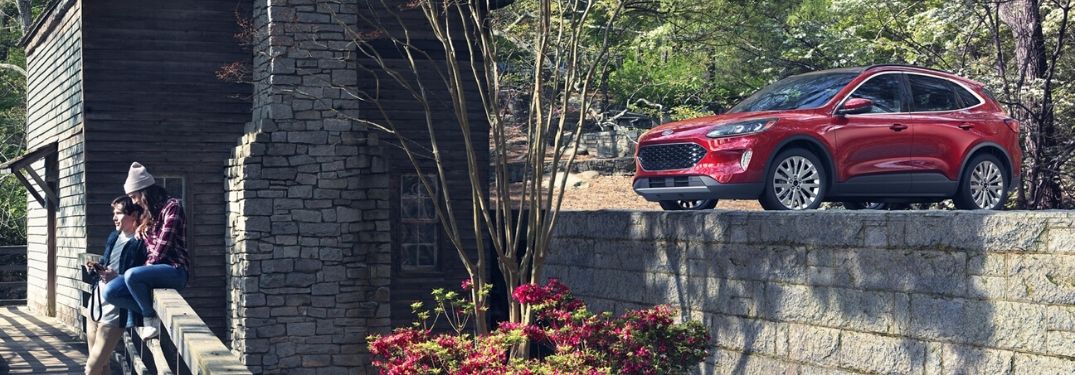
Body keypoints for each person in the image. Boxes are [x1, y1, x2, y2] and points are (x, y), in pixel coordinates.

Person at [103, 162, 189, 339]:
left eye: (134, 197)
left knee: (131, 275)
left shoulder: (173, 207)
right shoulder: (148, 215)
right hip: (153, 271)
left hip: (175, 270)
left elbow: (161, 249)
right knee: (110, 291)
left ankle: (149, 319)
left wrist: (137, 273)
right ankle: (152, 311)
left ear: (144, 193)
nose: (134, 202)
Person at [83, 196, 147, 375]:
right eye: (114, 213)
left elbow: (142, 276)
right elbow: (106, 260)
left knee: (91, 368)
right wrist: (95, 267)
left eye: (118, 213)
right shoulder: (114, 236)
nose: (114, 217)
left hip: (116, 310)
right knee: (102, 367)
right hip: (95, 306)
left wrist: (117, 277)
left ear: (134, 215)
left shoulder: (141, 242)